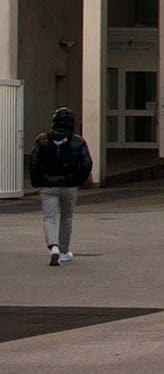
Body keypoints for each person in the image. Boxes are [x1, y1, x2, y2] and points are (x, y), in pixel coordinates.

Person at [28, 107, 92, 266]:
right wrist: (79, 180)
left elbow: (34, 163)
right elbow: (87, 163)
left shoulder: (42, 140)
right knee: (67, 218)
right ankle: (64, 251)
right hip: (69, 185)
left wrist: (36, 181)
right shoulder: (78, 141)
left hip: (47, 185)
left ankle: (53, 247)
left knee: (49, 218)